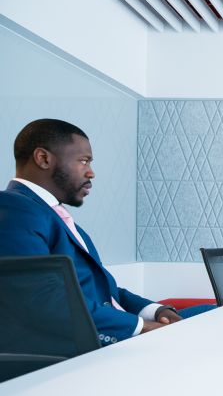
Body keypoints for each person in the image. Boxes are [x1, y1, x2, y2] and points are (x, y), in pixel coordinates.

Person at [0, 119, 212, 346]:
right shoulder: (14, 208)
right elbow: (42, 299)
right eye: (83, 161)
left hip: (119, 326)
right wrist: (140, 328)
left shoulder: (51, 214)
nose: (91, 173)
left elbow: (105, 291)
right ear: (43, 159)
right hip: (95, 344)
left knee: (217, 312)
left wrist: (154, 310)